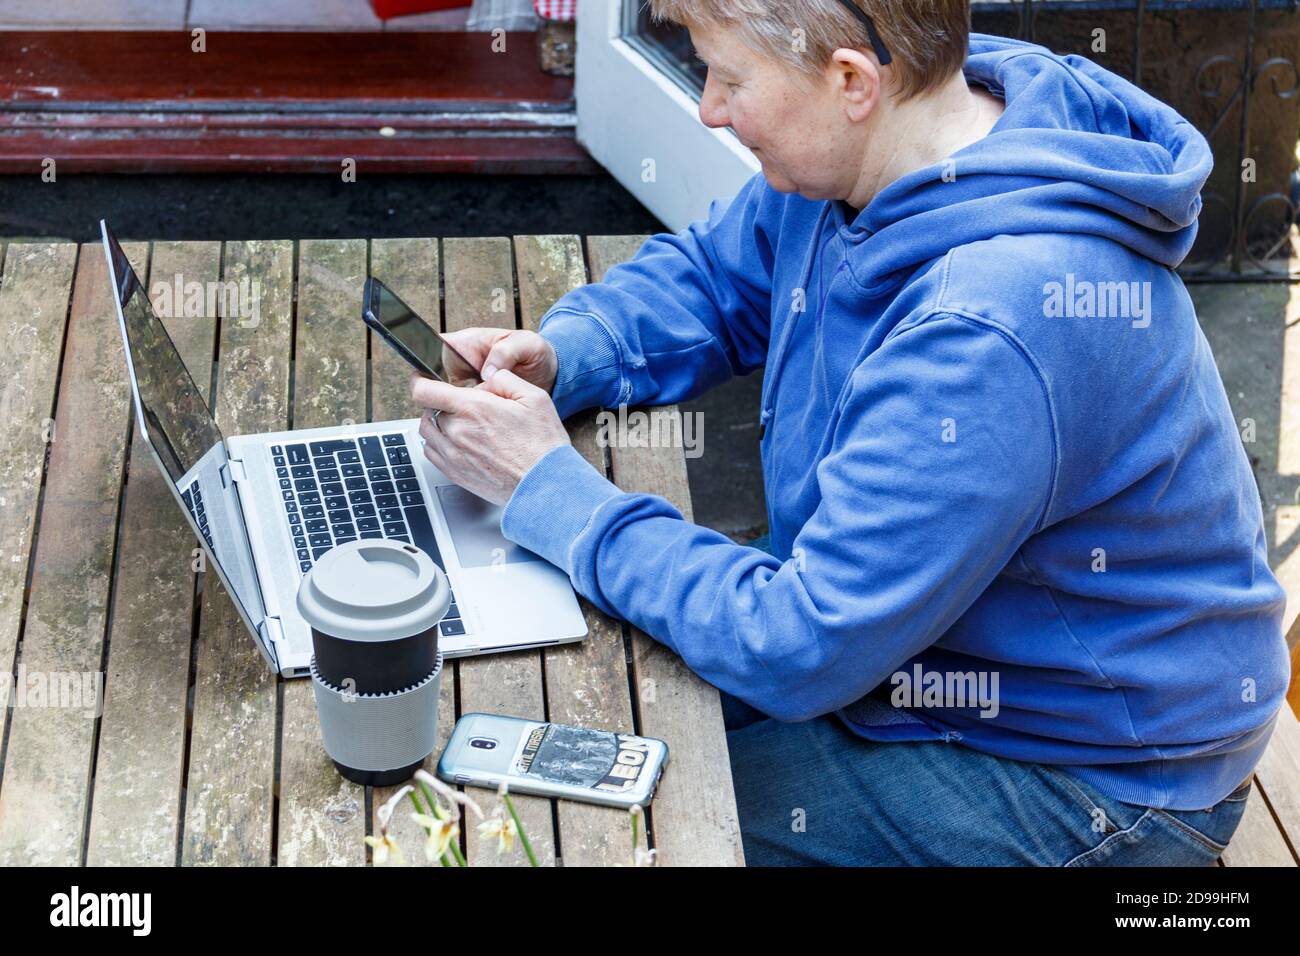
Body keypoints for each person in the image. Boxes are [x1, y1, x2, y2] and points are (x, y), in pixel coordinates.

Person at [408, 0, 1289, 865]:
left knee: (620, 826)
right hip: (901, 650)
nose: (709, 108)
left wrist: (548, 492)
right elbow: (721, 278)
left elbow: (799, 644)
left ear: (851, 80)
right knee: (564, 728)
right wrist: (571, 353)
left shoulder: (987, 328)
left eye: (727, 77)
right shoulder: (877, 152)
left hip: (1085, 771)